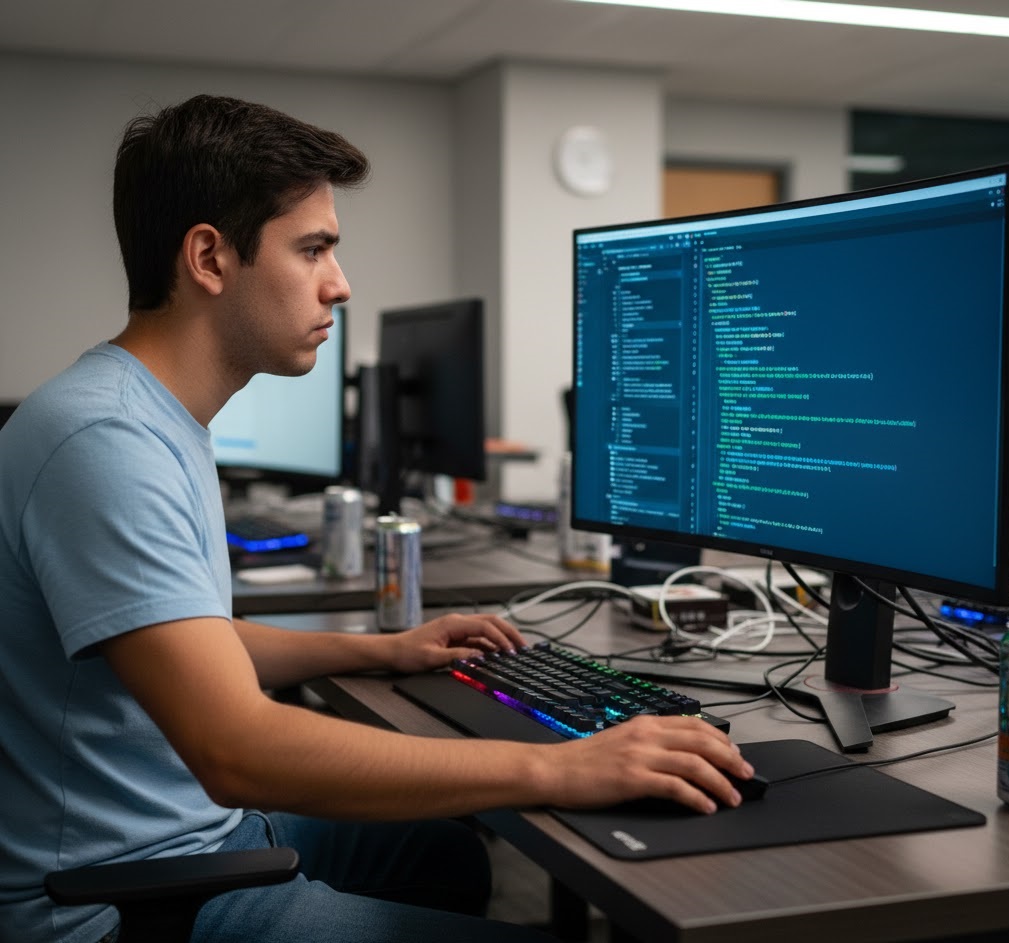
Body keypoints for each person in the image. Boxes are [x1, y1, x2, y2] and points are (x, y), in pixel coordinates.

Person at [0, 94, 756, 943]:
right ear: (209, 257)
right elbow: (234, 747)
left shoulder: (147, 414)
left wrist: (380, 649)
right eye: (313, 248)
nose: (340, 282)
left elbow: (185, 638)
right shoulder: (104, 439)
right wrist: (559, 763)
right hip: (115, 901)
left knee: (447, 859)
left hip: (182, 838)